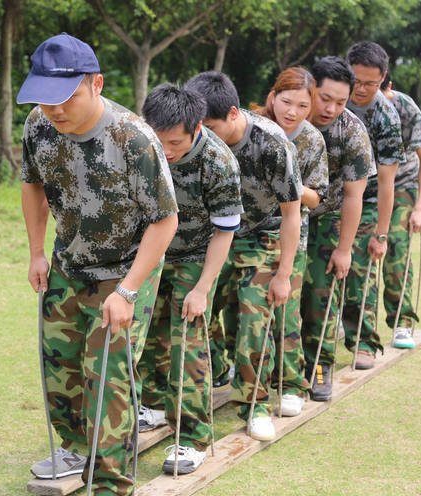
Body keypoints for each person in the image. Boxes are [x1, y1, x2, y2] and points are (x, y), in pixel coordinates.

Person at [18, 33, 178, 495]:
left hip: (127, 269)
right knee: (62, 368)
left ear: (96, 84)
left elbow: (164, 223)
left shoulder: (133, 139)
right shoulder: (38, 126)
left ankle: (110, 482)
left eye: (65, 98)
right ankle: (74, 448)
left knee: (107, 377)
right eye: (44, 99)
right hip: (69, 264)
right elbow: (32, 185)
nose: (54, 110)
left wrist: (127, 291)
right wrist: (36, 251)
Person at [185, 71, 302, 441]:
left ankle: (256, 405)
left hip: (261, 235)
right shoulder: (192, 141)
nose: (202, 136)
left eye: (211, 127)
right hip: (214, 235)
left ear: (233, 114)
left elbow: (292, 212)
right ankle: (206, 380)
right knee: (193, 305)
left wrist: (283, 273)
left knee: (253, 319)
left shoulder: (271, 144)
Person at [137, 83, 243, 474]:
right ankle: (151, 406)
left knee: (187, 340)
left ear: (196, 128)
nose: (166, 150)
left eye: (175, 142)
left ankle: (193, 437)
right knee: (147, 333)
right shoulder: (141, 146)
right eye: (159, 140)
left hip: (197, 254)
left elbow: (224, 232)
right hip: (152, 249)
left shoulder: (218, 161)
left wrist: (202, 289)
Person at [252, 66, 328, 416]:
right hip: (248, 233)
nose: (292, 111)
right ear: (273, 97)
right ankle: (248, 383)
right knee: (248, 314)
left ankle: (292, 384)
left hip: (290, 231)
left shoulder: (311, 140)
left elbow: (318, 197)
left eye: (301, 105)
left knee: (287, 311)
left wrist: (290, 187)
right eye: (286, 102)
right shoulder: (254, 127)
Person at [301, 56, 374, 401]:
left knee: (319, 293)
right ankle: (277, 366)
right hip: (283, 214)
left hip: (328, 216)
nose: (330, 108)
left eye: (340, 102)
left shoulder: (352, 132)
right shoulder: (290, 115)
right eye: (324, 98)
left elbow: (354, 195)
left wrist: (344, 249)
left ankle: (319, 365)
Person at [343, 41, 405, 370]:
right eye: (357, 81)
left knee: (359, 270)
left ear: (383, 79)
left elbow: (386, 181)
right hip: (327, 196)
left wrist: (381, 235)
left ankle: (364, 340)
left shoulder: (386, 117)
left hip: (365, 199)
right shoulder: (328, 98)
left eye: (371, 83)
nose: (362, 89)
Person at [379, 74, 421, 348]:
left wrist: (419, 207)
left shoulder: (405, 108)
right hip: (364, 188)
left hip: (402, 184)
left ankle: (402, 321)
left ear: (388, 86)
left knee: (396, 249)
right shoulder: (349, 105)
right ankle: (347, 317)